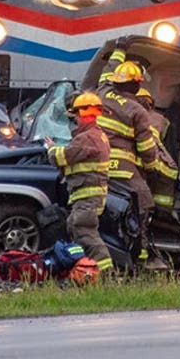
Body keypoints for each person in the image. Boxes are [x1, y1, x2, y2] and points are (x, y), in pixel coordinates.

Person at [97, 61, 168, 264]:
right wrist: (153, 167)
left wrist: (120, 49)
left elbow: (105, 74)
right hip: (121, 168)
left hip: (96, 164)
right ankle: (141, 257)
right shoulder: (137, 111)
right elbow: (147, 149)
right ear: (137, 86)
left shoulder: (101, 93)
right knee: (144, 203)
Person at [46, 91, 114, 273]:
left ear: (83, 114)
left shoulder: (87, 138)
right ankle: (85, 272)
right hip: (88, 196)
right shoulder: (96, 135)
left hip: (88, 197)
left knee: (85, 232)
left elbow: (62, 157)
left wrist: (52, 149)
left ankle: (106, 274)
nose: (74, 120)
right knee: (74, 227)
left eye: (75, 116)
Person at [135, 87, 179, 218]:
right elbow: (170, 147)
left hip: (135, 161)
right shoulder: (162, 120)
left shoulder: (127, 115)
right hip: (154, 161)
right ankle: (160, 215)